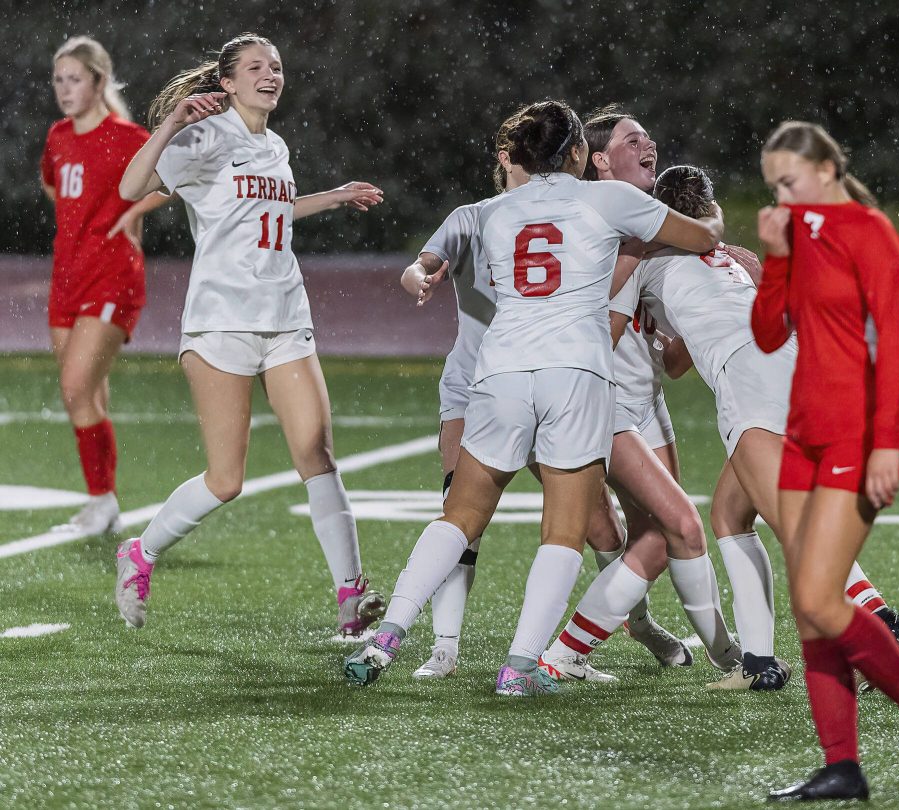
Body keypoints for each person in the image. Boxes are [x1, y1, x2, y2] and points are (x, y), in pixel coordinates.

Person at [344, 99, 723, 696]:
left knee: (460, 517)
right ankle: (520, 669)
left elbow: (448, 259)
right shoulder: (611, 199)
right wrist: (709, 219)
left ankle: (388, 635)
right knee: (563, 532)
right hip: (575, 372)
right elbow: (701, 234)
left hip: (498, 372)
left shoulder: (491, 211)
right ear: (577, 153)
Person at [595, 164, 899, 692]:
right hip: (793, 362)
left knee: (793, 524)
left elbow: (612, 335)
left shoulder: (643, 258)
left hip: (747, 377)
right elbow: (687, 351)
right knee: (730, 515)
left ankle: (876, 618)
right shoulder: (730, 255)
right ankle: (759, 663)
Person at [114, 33, 386, 639]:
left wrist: (335, 198)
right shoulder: (205, 136)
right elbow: (132, 188)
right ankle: (142, 552)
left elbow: (273, 210)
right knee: (226, 480)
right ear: (228, 81)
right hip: (220, 322)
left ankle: (350, 595)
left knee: (317, 455)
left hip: (286, 316)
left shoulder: (275, 144)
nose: (271, 75)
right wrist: (174, 123)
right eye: (256, 67)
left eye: (278, 67)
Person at [752, 121, 899, 800]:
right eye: (773, 184)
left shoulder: (869, 231)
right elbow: (767, 331)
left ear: (828, 169)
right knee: (809, 614)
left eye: (790, 181)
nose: (781, 194)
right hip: (801, 433)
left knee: (818, 596)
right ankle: (843, 765)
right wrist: (775, 255)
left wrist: (889, 439)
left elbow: (895, 337)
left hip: (856, 434)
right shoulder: (795, 235)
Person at [539, 107, 740, 684]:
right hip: (602, 401)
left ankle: (588, 648)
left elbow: (672, 361)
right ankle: (733, 656)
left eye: (649, 136)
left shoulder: (640, 220)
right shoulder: (612, 223)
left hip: (643, 399)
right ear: (599, 160)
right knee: (674, 528)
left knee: (658, 538)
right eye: (633, 140)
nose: (649, 143)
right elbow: (595, 326)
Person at [40, 36, 169, 535]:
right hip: (66, 277)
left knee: (75, 386)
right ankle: (103, 503)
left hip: (113, 276)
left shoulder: (128, 136)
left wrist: (133, 211)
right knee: (84, 392)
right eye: (58, 80)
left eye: (75, 79)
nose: (65, 89)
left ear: (98, 81)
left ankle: (102, 500)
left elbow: (175, 179)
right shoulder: (57, 137)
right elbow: (55, 186)